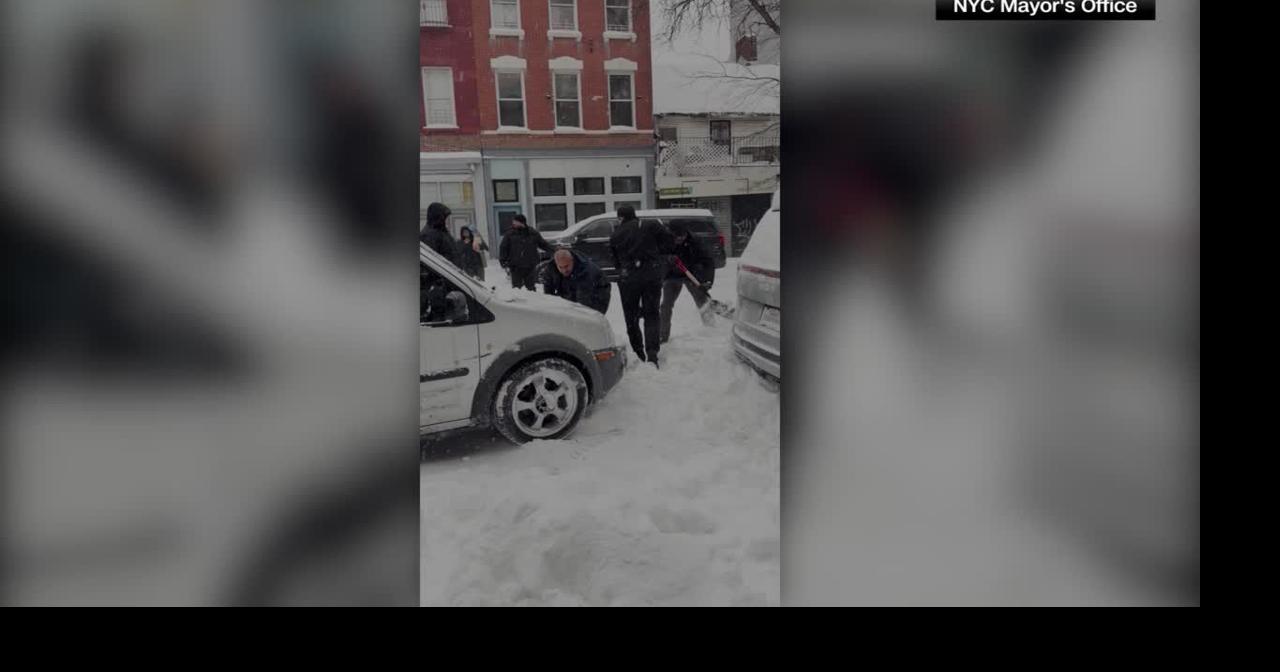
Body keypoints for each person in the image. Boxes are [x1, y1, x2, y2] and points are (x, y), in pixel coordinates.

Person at [609, 205, 674, 366]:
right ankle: (652, 354)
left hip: (628, 278)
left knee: (631, 316)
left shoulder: (616, 234)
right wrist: (655, 256)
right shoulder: (651, 225)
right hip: (651, 275)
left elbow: (615, 262)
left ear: (621, 217)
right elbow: (669, 244)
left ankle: (638, 352)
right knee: (652, 314)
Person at [659, 221, 716, 344]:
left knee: (702, 302)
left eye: (682, 237)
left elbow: (709, 261)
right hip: (671, 276)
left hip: (691, 275)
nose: (679, 239)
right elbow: (656, 256)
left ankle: (712, 330)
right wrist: (667, 258)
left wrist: (708, 281)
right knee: (666, 306)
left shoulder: (695, 242)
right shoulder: (664, 240)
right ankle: (663, 336)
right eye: (677, 237)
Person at [541, 249, 611, 314]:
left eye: (566, 266)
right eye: (560, 267)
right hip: (570, 288)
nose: (564, 270)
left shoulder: (585, 270)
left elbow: (583, 301)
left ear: (572, 260)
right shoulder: (550, 268)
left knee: (587, 316)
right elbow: (548, 294)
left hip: (597, 293)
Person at [498, 214, 554, 290]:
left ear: (522, 222)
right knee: (516, 288)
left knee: (531, 287)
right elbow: (503, 247)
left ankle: (532, 301)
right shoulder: (510, 234)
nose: (513, 223)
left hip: (530, 265)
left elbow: (543, 244)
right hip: (515, 266)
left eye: (515, 221)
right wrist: (503, 260)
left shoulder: (532, 233)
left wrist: (554, 251)